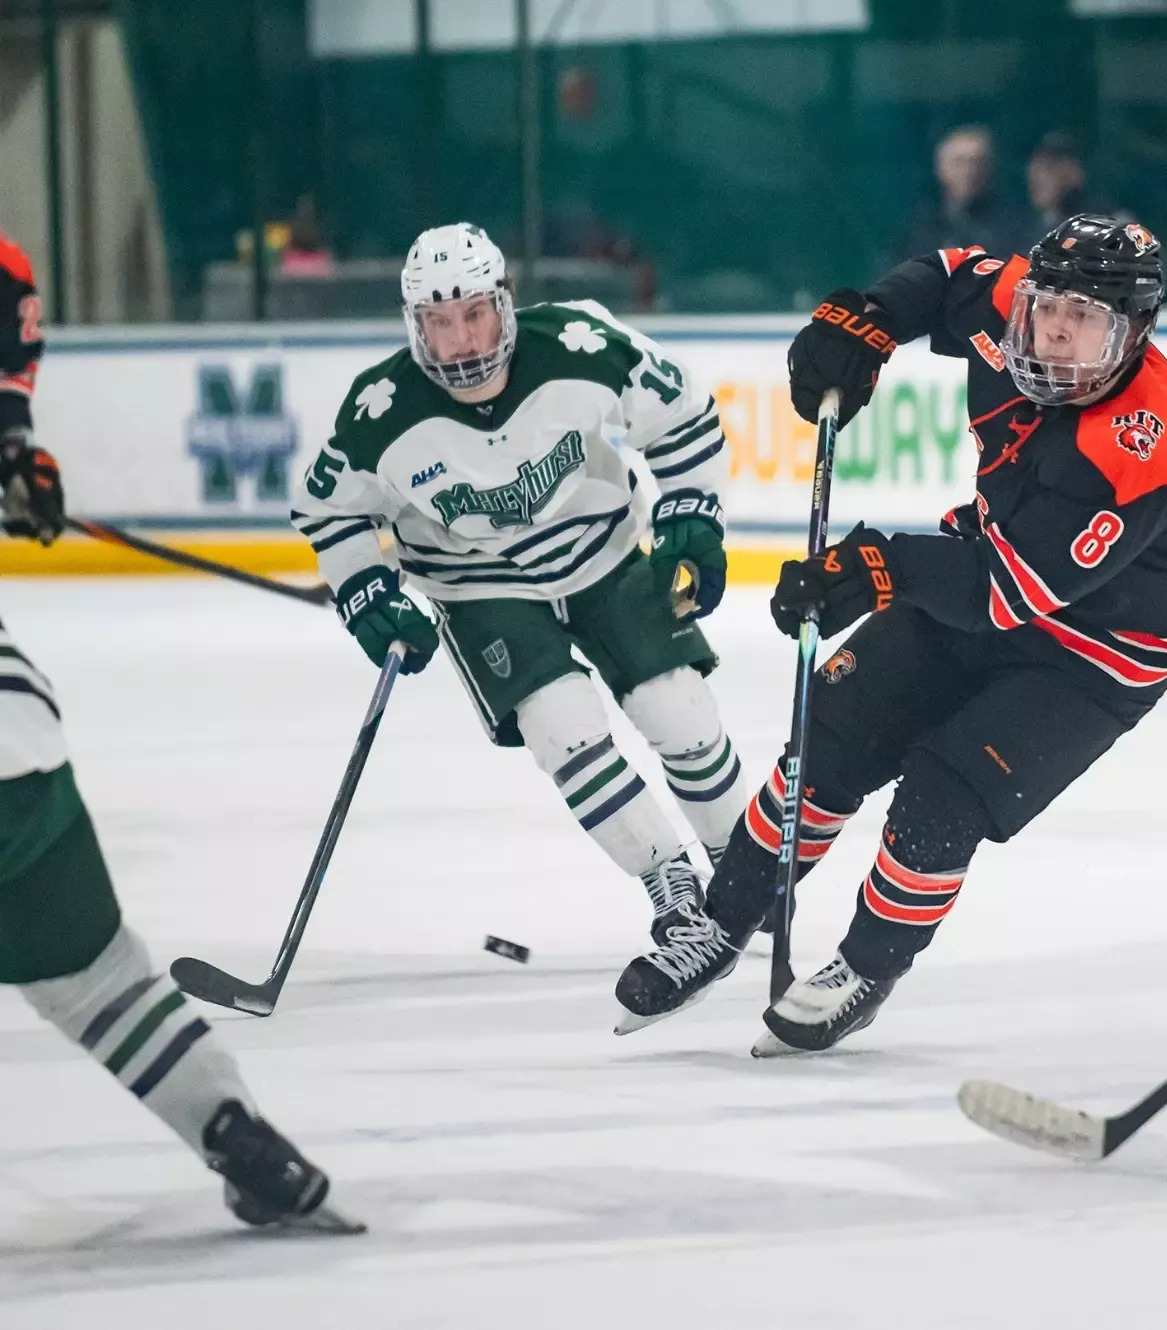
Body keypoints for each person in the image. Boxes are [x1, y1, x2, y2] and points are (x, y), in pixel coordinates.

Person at [612, 216, 1167, 1053]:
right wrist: (867, 320)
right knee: (829, 738)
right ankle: (719, 924)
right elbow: (949, 270)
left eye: (1087, 320)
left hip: (1093, 656)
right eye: (1049, 307)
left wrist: (874, 568)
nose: (1053, 332)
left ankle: (866, 966)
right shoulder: (1014, 306)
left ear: (1136, 333)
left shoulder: (1138, 446)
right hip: (985, 573)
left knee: (942, 793)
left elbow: (1003, 594)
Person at [0, 228, 355, 1232]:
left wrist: (15, 461)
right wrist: (18, 460)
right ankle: (240, 1132)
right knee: (100, 979)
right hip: (11, 739)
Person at [290, 222, 752, 988]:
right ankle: (667, 879)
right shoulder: (379, 410)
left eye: (472, 313)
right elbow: (326, 507)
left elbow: (685, 416)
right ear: (415, 326)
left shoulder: (579, 344)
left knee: (680, 711)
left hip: (602, 553)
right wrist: (366, 590)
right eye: (438, 322)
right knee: (563, 729)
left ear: (505, 303)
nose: (460, 340)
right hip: (478, 588)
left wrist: (694, 518)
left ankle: (744, 866)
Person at [896, 126, 1023, 263]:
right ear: (941, 168)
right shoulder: (921, 226)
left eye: (977, 163)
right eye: (959, 162)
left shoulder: (1013, 226)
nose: (969, 171)